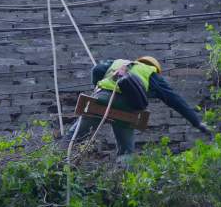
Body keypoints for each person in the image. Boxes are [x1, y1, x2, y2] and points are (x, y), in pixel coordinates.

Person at [66, 56, 212, 155]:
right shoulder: (152, 74)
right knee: (126, 151)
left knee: (72, 137)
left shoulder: (119, 62)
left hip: (103, 100)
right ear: (155, 68)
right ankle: (123, 183)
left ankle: (57, 163)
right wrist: (197, 122)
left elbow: (97, 70)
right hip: (127, 110)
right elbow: (174, 100)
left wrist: (98, 86)